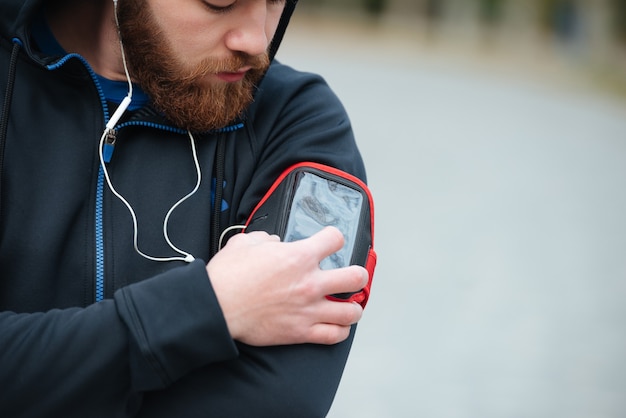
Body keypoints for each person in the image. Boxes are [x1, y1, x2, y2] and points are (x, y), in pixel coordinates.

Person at [0, 0, 374, 417]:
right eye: (219, 2)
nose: (254, 40)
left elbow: (280, 404)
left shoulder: (300, 122)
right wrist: (210, 306)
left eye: (273, 2)